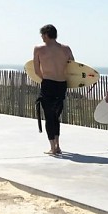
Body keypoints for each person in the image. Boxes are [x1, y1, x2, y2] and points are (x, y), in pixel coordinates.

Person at [33, 24, 74, 155]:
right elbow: (73, 68)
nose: (41, 38)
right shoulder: (66, 49)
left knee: (49, 116)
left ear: (46, 34)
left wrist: (45, 79)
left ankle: (53, 147)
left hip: (48, 84)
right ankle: (58, 145)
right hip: (61, 84)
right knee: (56, 115)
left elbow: (36, 70)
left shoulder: (39, 49)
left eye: (42, 35)